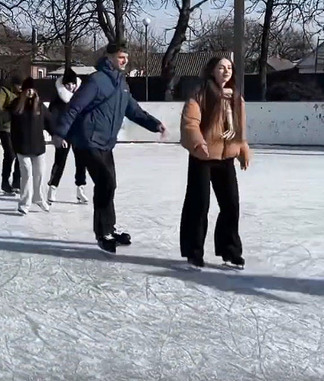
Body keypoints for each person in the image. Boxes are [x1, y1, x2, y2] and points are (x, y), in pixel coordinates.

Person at [52, 40, 166, 254]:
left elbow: (133, 110)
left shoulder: (122, 83)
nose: (125, 61)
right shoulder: (96, 81)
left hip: (105, 143)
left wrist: (154, 124)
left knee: (109, 184)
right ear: (110, 57)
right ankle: (102, 232)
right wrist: (59, 133)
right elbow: (74, 107)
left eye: (126, 57)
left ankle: (109, 229)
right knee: (105, 182)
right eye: (121, 57)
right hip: (87, 141)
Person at [179, 57, 251, 270]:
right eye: (221, 67)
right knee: (199, 204)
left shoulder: (236, 98)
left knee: (231, 205)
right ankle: (194, 251)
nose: (226, 71)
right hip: (203, 157)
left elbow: (239, 128)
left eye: (229, 67)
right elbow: (190, 124)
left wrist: (243, 148)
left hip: (226, 158)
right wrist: (198, 143)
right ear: (212, 71)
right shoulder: (200, 95)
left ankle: (230, 251)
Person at [6, 77, 55, 215]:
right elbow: (3, 117)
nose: (30, 92)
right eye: (28, 89)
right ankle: (24, 203)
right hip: (21, 147)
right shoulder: (16, 105)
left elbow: (50, 122)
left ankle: (38, 198)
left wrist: (57, 135)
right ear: (23, 90)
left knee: (39, 174)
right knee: (26, 174)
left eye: (32, 89)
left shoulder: (40, 106)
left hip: (38, 146)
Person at [46, 68, 88, 204]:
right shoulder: (58, 99)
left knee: (81, 162)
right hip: (63, 135)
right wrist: (57, 135)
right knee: (60, 161)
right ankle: (52, 187)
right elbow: (51, 117)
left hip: (78, 134)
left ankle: (80, 189)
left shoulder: (81, 96)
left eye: (73, 84)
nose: (71, 87)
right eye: (68, 84)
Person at [0, 75, 23, 195]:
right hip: (5, 128)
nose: (20, 88)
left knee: (21, 154)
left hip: (19, 128)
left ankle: (16, 182)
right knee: (10, 154)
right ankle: (5, 182)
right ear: (13, 84)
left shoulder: (24, 94)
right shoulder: (4, 92)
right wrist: (6, 116)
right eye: (18, 85)